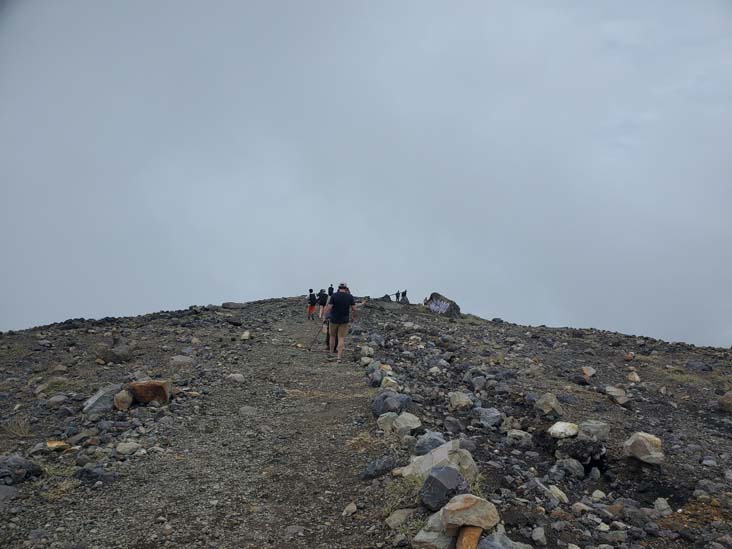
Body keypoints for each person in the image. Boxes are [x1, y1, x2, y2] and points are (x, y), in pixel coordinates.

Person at [323, 282, 355, 363]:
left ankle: (331, 354)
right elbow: (354, 309)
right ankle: (339, 358)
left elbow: (329, 307)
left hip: (333, 319)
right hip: (344, 320)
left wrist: (325, 316)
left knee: (332, 336)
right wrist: (354, 317)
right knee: (341, 338)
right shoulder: (349, 296)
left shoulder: (334, 295)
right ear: (346, 288)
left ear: (339, 287)